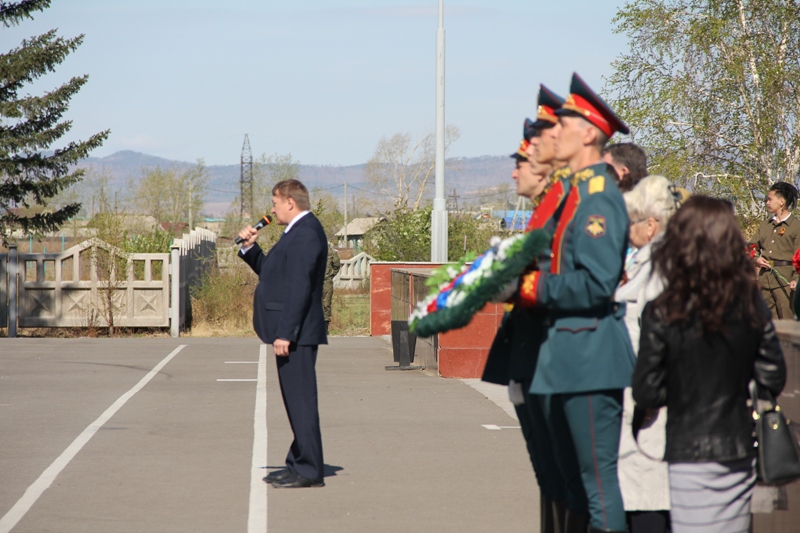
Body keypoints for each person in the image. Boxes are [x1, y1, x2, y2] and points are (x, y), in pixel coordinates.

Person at [520, 72, 635, 533]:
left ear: (588, 132)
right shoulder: (579, 194)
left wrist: (530, 289)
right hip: (566, 354)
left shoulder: (599, 198)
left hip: (589, 356)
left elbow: (596, 284)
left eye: (563, 124)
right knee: (572, 483)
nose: (554, 133)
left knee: (596, 486)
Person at [632, 196, 786, 533]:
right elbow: (773, 375)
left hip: (687, 446)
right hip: (737, 445)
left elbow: (647, 390)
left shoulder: (662, 310)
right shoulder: (749, 303)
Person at [483, 86, 570, 533]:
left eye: (525, 160)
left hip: (555, 357)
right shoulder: (545, 206)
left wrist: (514, 282)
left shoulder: (570, 201)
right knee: (551, 480)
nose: (516, 171)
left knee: (566, 482)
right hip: (532, 353)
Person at [238, 179, 328, 489]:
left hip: (298, 334)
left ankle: (309, 470)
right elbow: (272, 273)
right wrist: (249, 247)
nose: (272, 209)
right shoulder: (295, 233)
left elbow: (299, 289)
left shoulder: (304, 235)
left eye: (275, 202)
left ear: (290, 202)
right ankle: (299, 462)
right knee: (295, 401)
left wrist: (286, 333)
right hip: (293, 332)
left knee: (301, 401)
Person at [614, 175, 684, 533]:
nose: (628, 230)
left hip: (649, 409)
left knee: (649, 503)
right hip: (637, 401)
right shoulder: (645, 260)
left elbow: (660, 339)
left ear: (651, 224)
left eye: (633, 222)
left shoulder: (661, 267)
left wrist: (647, 396)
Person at [749, 181, 800, 319]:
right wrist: (756, 259)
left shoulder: (796, 226)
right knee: (767, 323)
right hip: (765, 280)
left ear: (782, 201)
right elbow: (750, 247)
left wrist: (796, 278)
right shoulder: (765, 225)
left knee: (787, 322)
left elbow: (799, 256)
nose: (767, 202)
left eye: (770, 199)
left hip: (786, 283)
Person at [323, 241, 341, 333]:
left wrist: (330, 275)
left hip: (326, 281)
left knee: (326, 303)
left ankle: (325, 327)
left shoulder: (331, 252)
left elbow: (336, 266)